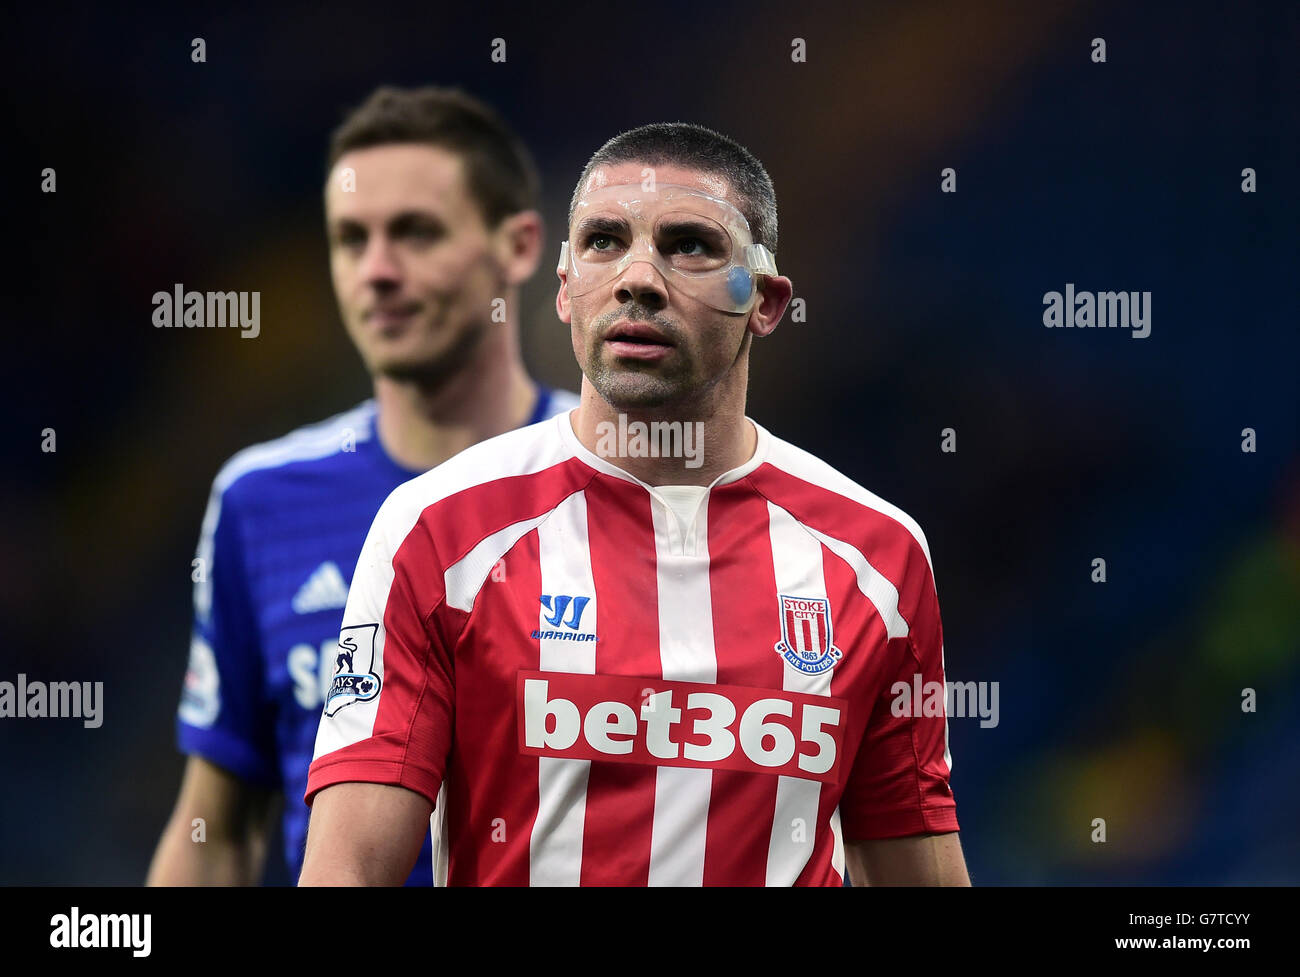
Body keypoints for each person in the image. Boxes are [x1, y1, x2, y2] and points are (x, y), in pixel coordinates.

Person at [298, 121, 969, 886]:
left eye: (689, 244)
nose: (639, 277)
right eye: (604, 241)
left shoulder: (877, 557)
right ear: (563, 290)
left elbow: (913, 863)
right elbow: (346, 870)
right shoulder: (438, 531)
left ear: (768, 300)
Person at [147, 86, 578, 886]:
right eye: (351, 239)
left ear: (519, 247)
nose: (377, 271)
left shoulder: (625, 481)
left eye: (416, 233)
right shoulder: (261, 502)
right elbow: (216, 828)